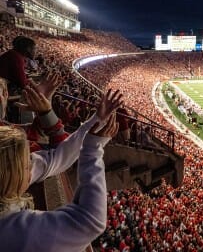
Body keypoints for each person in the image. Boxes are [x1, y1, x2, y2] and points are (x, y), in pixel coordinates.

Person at [0, 88, 123, 251]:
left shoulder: (9, 177)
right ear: (10, 176)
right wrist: (93, 149)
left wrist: (97, 120)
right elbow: (91, 221)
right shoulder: (14, 231)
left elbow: (57, 158)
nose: (31, 166)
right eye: (26, 165)